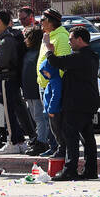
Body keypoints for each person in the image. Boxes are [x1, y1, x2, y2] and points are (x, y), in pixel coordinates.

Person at [45, 26, 99, 181]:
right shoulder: (92, 56)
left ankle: (70, 170)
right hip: (87, 102)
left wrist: (49, 49)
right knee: (88, 138)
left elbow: (57, 62)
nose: (69, 43)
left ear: (80, 40)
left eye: (71, 39)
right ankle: (90, 170)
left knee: (71, 137)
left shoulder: (81, 56)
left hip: (76, 103)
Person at [0, 10, 27, 154]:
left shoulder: (6, 39)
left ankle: (13, 142)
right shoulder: (6, 37)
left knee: (8, 112)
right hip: (9, 78)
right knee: (11, 111)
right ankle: (18, 140)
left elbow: (0, 62)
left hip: (6, 77)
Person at [36, 9, 70, 159]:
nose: (40, 22)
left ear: (50, 21)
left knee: (56, 119)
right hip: (45, 85)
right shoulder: (47, 36)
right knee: (50, 119)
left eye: (42, 19)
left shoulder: (61, 37)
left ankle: (61, 148)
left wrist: (56, 83)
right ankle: (54, 146)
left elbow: (63, 64)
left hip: (54, 84)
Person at [20, 26, 49, 154]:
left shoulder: (38, 52)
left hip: (36, 91)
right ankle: (40, 138)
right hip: (29, 91)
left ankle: (42, 142)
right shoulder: (28, 52)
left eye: (27, 37)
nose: (25, 40)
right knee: (36, 117)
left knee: (40, 117)